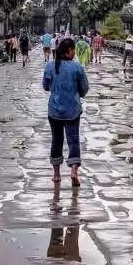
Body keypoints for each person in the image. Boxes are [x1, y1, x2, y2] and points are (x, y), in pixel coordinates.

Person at [43, 37, 89, 187]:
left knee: (56, 140)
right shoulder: (77, 68)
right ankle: (74, 171)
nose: (74, 52)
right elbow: (84, 90)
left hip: (54, 110)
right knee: (73, 139)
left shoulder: (50, 66)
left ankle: (56, 174)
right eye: (73, 50)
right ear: (69, 50)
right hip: (72, 110)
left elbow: (45, 86)